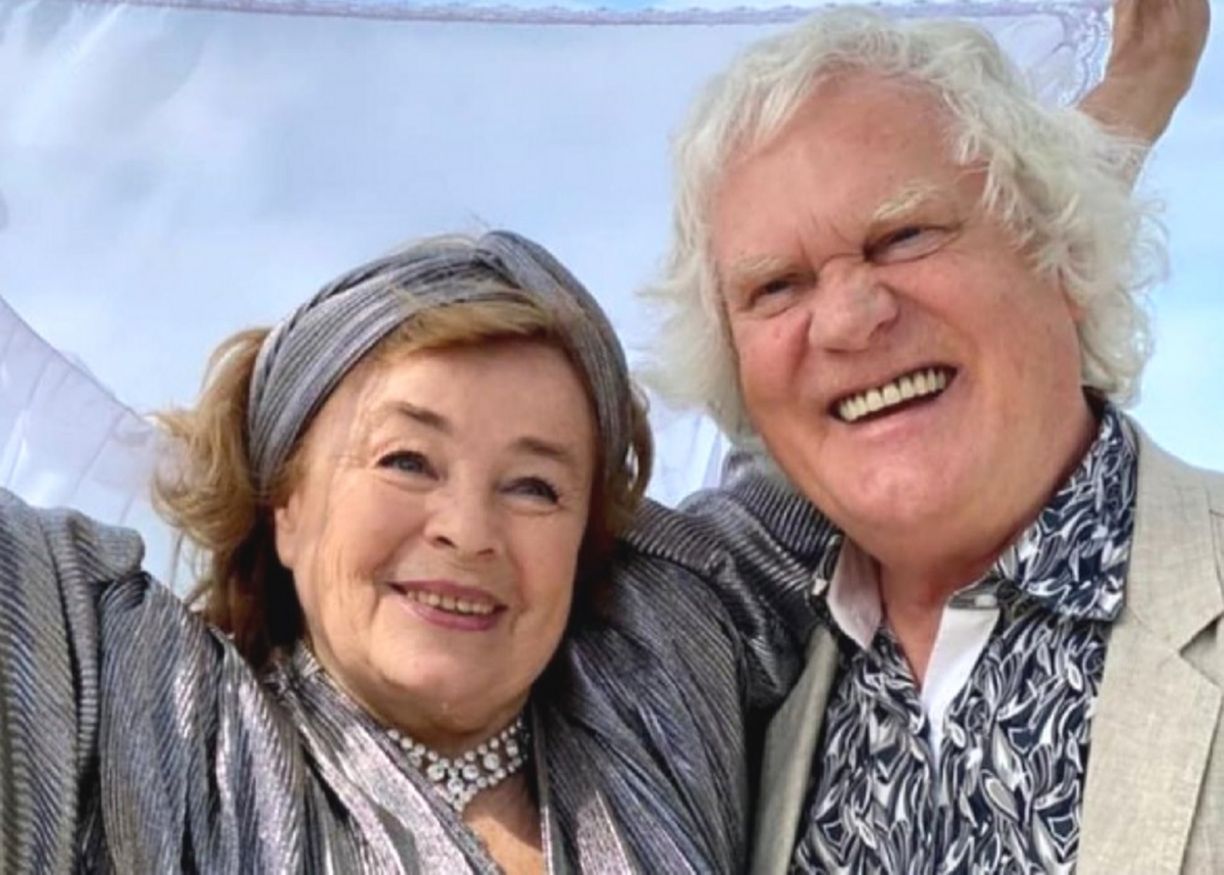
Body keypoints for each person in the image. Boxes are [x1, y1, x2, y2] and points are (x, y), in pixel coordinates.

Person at [0, 231, 808, 873]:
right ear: (286, 500)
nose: (468, 528)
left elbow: (829, 445)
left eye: (534, 486)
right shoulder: (155, 717)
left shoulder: (666, 654)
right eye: (408, 461)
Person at [645, 1, 1220, 872]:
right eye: (776, 287)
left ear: (1063, 257)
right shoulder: (737, 680)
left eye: (906, 235)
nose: (848, 319)